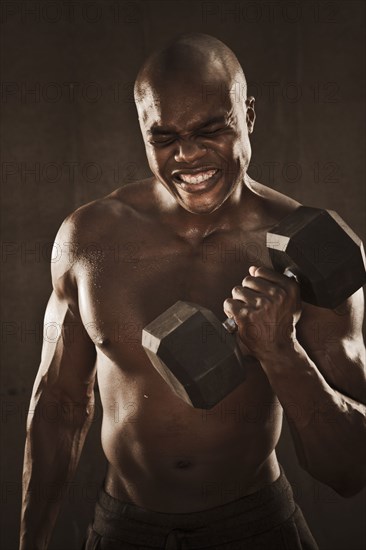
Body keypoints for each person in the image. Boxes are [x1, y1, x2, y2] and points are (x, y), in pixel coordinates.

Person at [20, 33, 366, 550]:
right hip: (124, 529)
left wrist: (281, 352)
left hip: (256, 526)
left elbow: (348, 470)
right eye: (163, 138)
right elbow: (60, 405)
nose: (187, 156)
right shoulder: (87, 239)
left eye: (211, 129)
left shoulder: (311, 247)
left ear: (247, 115)